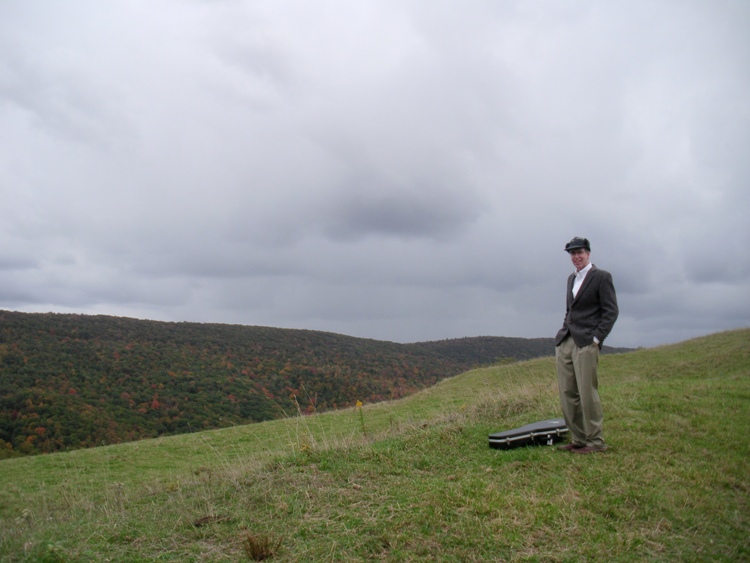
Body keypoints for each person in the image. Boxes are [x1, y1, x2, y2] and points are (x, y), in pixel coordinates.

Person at [554, 237, 619, 454]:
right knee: (567, 391)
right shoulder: (570, 279)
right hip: (567, 340)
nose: (576, 257)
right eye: (572, 253)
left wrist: (597, 339)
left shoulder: (601, 277)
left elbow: (611, 311)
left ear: (588, 253)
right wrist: (563, 335)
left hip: (587, 342)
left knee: (587, 392)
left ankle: (596, 442)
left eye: (579, 252)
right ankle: (579, 438)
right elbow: (569, 311)